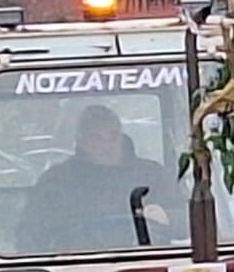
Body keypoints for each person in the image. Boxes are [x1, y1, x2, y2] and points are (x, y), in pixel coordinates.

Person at [15, 104, 180, 255]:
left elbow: (189, 223)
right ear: (81, 141)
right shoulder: (56, 181)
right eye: (97, 138)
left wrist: (167, 216)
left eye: (112, 137)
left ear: (121, 136)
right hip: (74, 267)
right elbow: (28, 238)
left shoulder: (152, 174)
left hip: (146, 261)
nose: (107, 145)